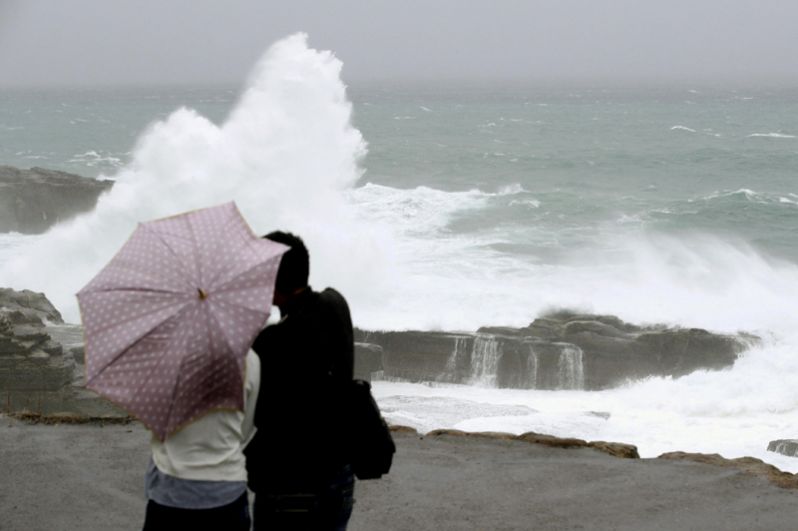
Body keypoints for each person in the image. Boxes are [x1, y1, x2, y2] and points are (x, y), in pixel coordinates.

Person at [246, 231, 355, 531]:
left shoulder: (271, 342)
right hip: (339, 476)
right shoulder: (336, 304)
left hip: (290, 487)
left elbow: (257, 414)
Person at [141, 348, 260, 530]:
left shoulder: (165, 355)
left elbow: (151, 419)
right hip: (227, 487)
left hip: (171, 488)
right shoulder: (248, 358)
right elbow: (245, 428)